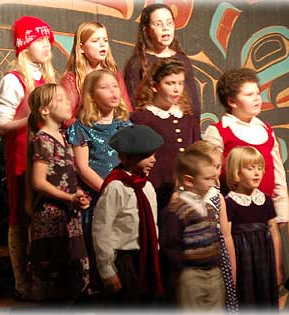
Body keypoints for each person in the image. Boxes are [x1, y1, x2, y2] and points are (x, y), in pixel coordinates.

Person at [0, 15, 57, 300]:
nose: (46, 45)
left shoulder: (51, 78)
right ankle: (23, 282)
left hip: (49, 155)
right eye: (39, 40)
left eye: (48, 40)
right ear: (24, 45)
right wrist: (32, 119)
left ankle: (47, 277)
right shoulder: (14, 79)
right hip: (22, 155)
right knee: (21, 215)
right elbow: (1, 124)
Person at [66, 68, 132, 291]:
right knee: (101, 248)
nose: (113, 92)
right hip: (99, 198)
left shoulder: (125, 126)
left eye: (115, 86)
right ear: (92, 95)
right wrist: (108, 189)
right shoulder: (82, 128)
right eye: (104, 88)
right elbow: (83, 167)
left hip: (126, 198)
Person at [26, 83, 91, 301]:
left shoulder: (64, 137)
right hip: (51, 219)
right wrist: (69, 197)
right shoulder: (43, 140)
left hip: (69, 215)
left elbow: (65, 176)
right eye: (61, 99)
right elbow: (39, 182)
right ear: (45, 109)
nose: (67, 103)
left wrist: (79, 194)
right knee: (55, 280)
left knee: (74, 277)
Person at [204, 67, 289, 225]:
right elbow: (211, 175)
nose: (257, 99)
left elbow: (278, 173)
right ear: (231, 101)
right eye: (249, 95)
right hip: (235, 216)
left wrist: (281, 211)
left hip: (265, 212)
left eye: (257, 93)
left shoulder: (266, 130)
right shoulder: (219, 131)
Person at [92, 125, 165, 305]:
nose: (153, 160)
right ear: (125, 157)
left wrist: (154, 255)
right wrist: (107, 269)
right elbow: (102, 229)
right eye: (146, 155)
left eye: (154, 154)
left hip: (145, 257)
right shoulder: (116, 186)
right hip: (123, 259)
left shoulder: (147, 187)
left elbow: (152, 224)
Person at [160, 148, 231, 310]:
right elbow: (170, 244)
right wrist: (183, 268)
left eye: (213, 178)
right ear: (189, 181)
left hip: (213, 271)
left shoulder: (208, 206)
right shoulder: (178, 210)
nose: (213, 183)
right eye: (207, 179)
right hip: (191, 274)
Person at [130, 57, 200, 215]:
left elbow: (197, 152)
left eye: (180, 83)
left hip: (188, 192)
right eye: (170, 83)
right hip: (157, 191)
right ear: (155, 86)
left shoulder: (189, 118)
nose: (177, 89)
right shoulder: (143, 118)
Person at [225, 146, 284, 311]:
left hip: (265, 259)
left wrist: (278, 267)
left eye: (259, 168)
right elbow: (227, 236)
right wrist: (232, 271)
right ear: (237, 172)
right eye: (250, 169)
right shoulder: (229, 202)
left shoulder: (265, 200)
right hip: (243, 260)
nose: (257, 173)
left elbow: (274, 233)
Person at [184, 140, 239, 313]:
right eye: (210, 166)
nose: (215, 172)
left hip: (218, 260)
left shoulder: (217, 197)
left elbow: (226, 234)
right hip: (194, 264)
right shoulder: (181, 198)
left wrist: (232, 266)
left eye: (217, 167)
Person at [124, 3, 200, 116]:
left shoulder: (182, 60)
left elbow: (193, 102)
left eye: (169, 23)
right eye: (158, 24)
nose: (165, 28)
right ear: (147, 30)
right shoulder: (138, 62)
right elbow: (133, 104)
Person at [61, 21, 132, 127]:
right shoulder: (72, 79)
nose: (102, 44)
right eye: (95, 41)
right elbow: (65, 118)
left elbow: (126, 109)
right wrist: (90, 130)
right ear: (81, 48)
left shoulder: (114, 73)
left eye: (105, 40)